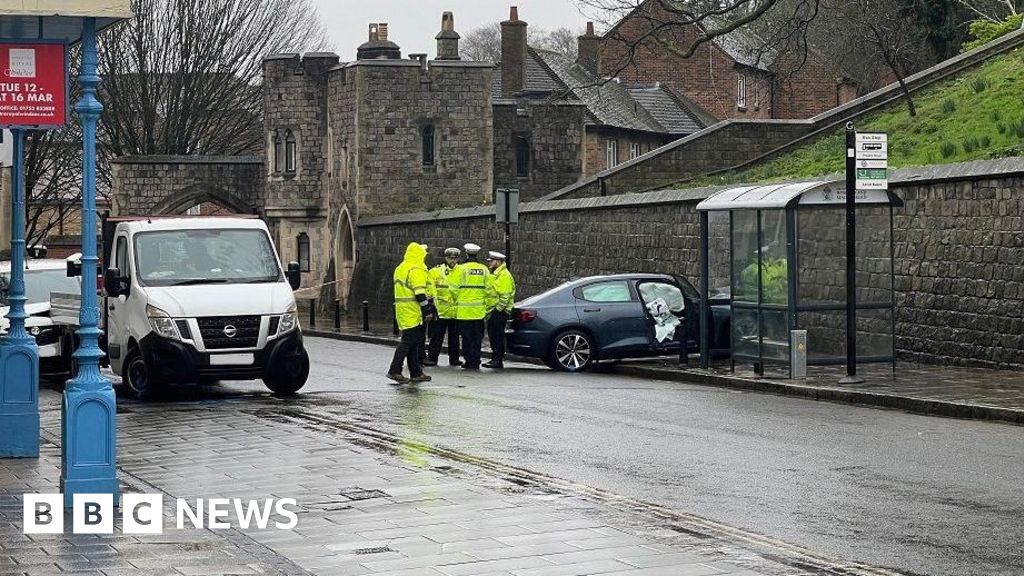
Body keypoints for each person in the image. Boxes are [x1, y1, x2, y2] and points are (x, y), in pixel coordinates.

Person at [388, 242, 436, 384]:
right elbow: (420, 293)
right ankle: (395, 370)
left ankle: (416, 372)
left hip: (402, 309)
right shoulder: (416, 269)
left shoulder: (400, 268)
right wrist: (427, 310)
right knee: (408, 341)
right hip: (413, 310)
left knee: (414, 341)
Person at [452, 243, 489, 370]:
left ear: (467, 254)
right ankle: (476, 360)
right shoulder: (484, 269)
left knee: (466, 338)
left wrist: (459, 299)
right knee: (477, 338)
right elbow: (489, 289)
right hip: (479, 311)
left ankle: (468, 360)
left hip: (464, 311)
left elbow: (453, 288)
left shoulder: (460, 269)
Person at [425, 247, 462, 366]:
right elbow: (429, 288)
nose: (452, 260)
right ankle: (432, 357)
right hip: (439, 309)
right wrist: (431, 305)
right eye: (450, 258)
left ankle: (454, 359)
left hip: (455, 311)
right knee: (437, 336)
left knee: (454, 338)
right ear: (445, 258)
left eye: (454, 258)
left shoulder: (462, 271)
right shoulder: (435, 271)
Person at [483, 251, 516, 369]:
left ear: (498, 262)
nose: (490, 263)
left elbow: (505, 295)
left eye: (491, 261)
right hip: (493, 310)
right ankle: (495, 359)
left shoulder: (504, 275)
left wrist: (498, 310)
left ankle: (497, 360)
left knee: (497, 336)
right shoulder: (497, 274)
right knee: (494, 335)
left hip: (499, 312)